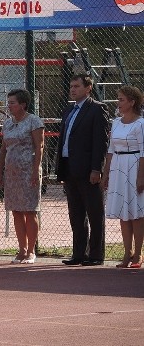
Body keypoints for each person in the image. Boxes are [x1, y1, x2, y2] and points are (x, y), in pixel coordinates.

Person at [56, 74, 110, 266]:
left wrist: (97, 169)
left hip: (88, 170)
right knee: (76, 214)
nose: (73, 89)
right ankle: (79, 253)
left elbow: (101, 142)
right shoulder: (68, 109)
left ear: (88, 88)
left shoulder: (97, 109)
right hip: (69, 168)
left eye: (77, 86)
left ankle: (96, 255)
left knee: (94, 213)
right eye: (71, 86)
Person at [0, 89, 44, 264]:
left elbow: (39, 147)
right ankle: (21, 249)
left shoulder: (34, 121)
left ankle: (31, 251)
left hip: (28, 172)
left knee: (30, 210)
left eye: (12, 103)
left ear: (23, 105)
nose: (9, 106)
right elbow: (3, 149)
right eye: (8, 102)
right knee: (16, 210)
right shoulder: (8, 124)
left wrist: (35, 170)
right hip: (12, 173)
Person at [100, 86, 144, 268]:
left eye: (121, 100)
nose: (118, 103)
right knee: (123, 215)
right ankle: (127, 253)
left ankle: (138, 254)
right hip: (118, 167)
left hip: (134, 166)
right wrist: (106, 173)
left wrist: (141, 177)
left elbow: (143, 151)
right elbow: (111, 149)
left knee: (136, 213)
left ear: (132, 102)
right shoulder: (116, 122)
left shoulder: (141, 124)